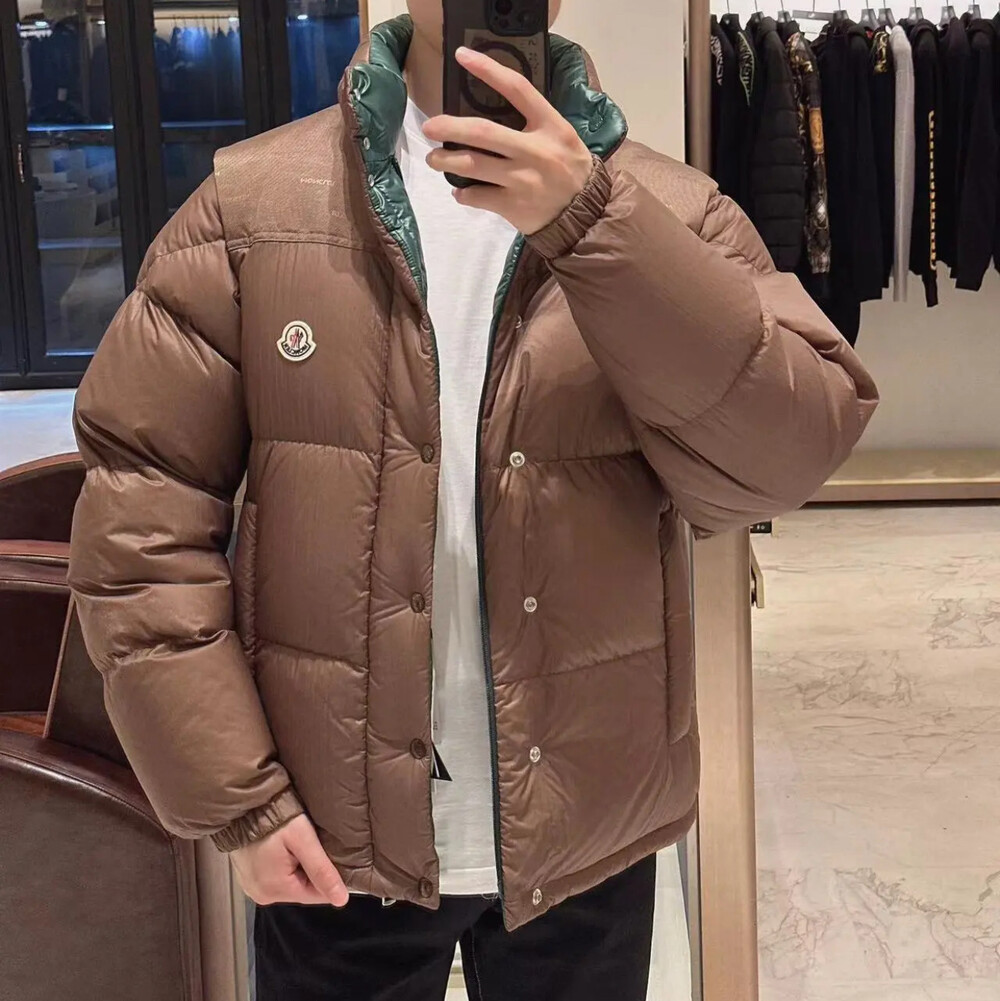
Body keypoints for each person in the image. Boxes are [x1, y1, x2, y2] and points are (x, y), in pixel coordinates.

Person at [67, 3, 879, 999]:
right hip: (329, 837)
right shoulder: (254, 205)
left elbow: (781, 460)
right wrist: (238, 799)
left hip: (586, 827)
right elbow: (140, 516)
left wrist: (594, 222)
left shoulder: (672, 211)